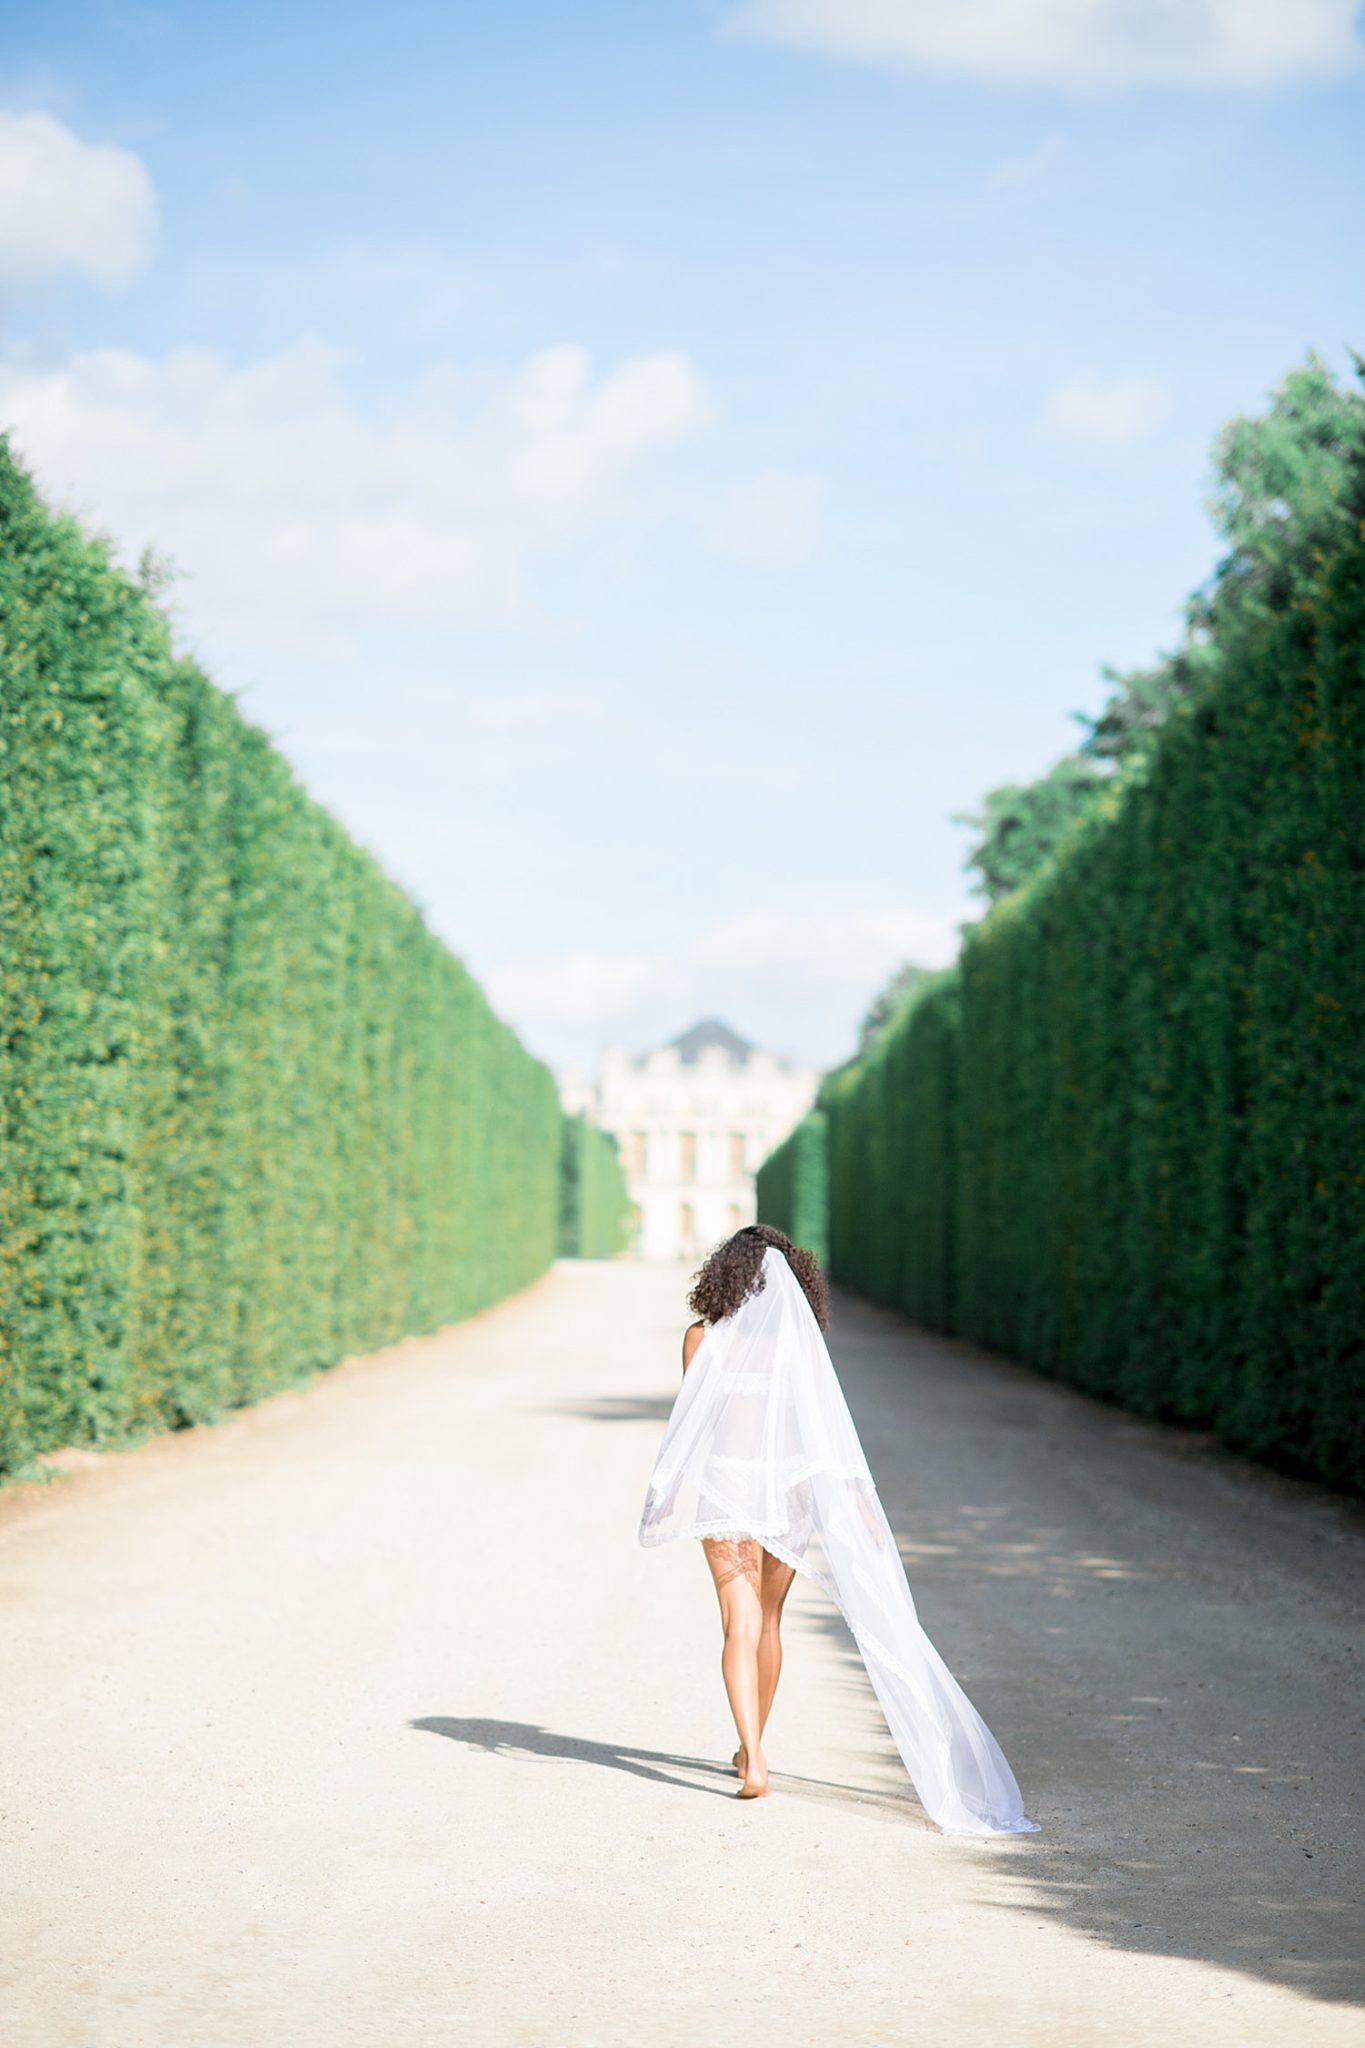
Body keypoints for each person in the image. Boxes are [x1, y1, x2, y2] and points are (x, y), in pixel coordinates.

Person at [638, 1223, 1039, 1834]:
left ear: (725, 1274)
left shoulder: (702, 1339)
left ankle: (755, 1758)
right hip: (788, 1497)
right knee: (770, 1623)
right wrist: (855, 1506)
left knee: (737, 1625)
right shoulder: (795, 1350)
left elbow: (689, 1425)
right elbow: (824, 1435)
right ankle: (751, 1749)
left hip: (726, 1491)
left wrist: (665, 1493)